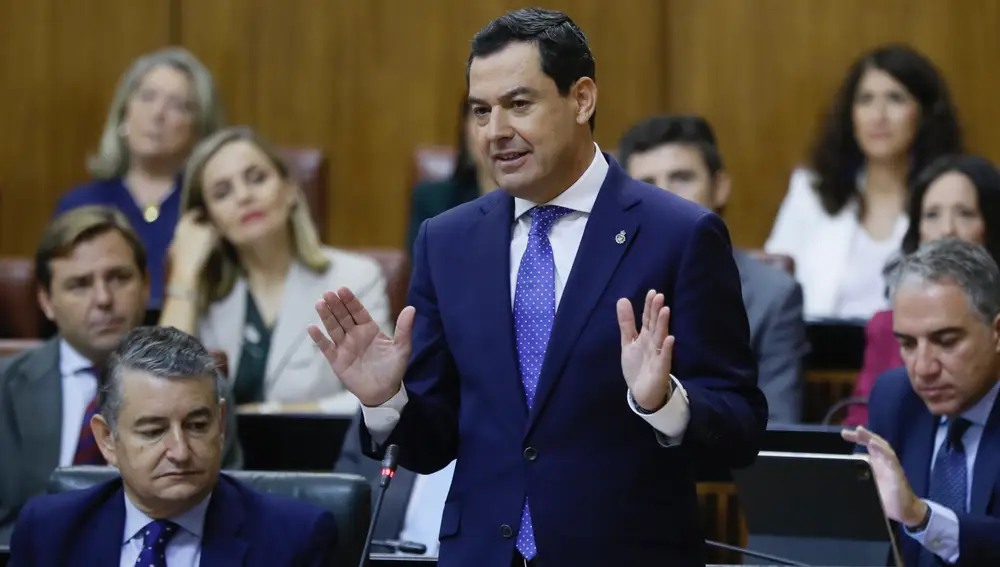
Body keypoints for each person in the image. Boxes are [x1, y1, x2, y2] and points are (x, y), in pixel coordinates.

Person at [310, 8, 767, 567]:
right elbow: (432, 445)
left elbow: (741, 425)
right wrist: (385, 400)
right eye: (482, 111)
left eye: (519, 104)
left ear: (581, 99)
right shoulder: (448, 241)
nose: (495, 131)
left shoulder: (679, 235)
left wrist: (665, 402)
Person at [0, 206, 241, 545]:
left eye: (118, 278)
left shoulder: (199, 387)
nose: (103, 299)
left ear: (145, 284)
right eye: (79, 285)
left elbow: (225, 514)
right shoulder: (4, 387)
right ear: (46, 300)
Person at [8, 326, 337, 567]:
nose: (180, 451)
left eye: (197, 426)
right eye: (153, 430)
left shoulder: (295, 539)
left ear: (220, 424)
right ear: (107, 439)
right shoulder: (49, 532)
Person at [159, 127, 390, 414]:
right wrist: (184, 275)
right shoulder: (205, 292)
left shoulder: (354, 278)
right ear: (208, 219)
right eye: (222, 192)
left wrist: (272, 413)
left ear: (290, 190)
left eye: (257, 178)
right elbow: (162, 390)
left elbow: (381, 393)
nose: (244, 196)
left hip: (320, 455)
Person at [619, 114, 808, 423]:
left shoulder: (772, 295)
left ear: (720, 187)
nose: (664, 196)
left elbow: (777, 428)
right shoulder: (608, 285)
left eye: (681, 178)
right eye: (646, 184)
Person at [765, 44, 962, 319]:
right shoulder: (810, 192)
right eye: (866, 100)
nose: (878, 116)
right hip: (818, 354)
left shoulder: (948, 198)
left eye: (895, 98)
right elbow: (771, 284)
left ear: (925, 114)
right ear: (851, 115)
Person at [842, 238, 1000, 566]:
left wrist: (921, 516)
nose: (924, 368)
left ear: (996, 333)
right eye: (908, 344)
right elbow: (859, 536)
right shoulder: (895, 398)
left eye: (946, 341)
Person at [54, 47, 225, 322]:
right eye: (147, 97)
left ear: (199, 129)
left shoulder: (210, 206)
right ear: (124, 113)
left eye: (179, 105)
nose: (158, 113)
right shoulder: (80, 205)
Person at [844, 154, 1000, 426]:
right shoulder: (886, 328)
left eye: (965, 213)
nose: (947, 229)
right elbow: (862, 429)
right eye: (932, 215)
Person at [406, 98, 496, 258]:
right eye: (482, 112)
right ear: (464, 129)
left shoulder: (543, 209)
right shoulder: (434, 202)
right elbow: (426, 276)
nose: (495, 132)